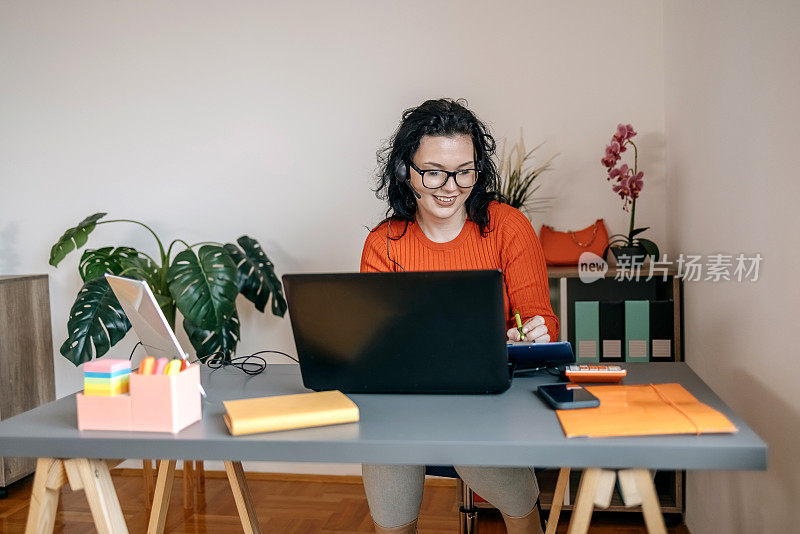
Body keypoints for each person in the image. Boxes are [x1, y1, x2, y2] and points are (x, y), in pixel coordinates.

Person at [360, 98, 559, 534]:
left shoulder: (507, 227)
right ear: (404, 171)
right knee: (387, 467)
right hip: (405, 404)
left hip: (487, 400)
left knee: (500, 480)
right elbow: (376, 346)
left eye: (464, 171)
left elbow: (540, 319)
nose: (450, 186)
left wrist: (535, 332)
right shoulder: (385, 243)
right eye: (434, 171)